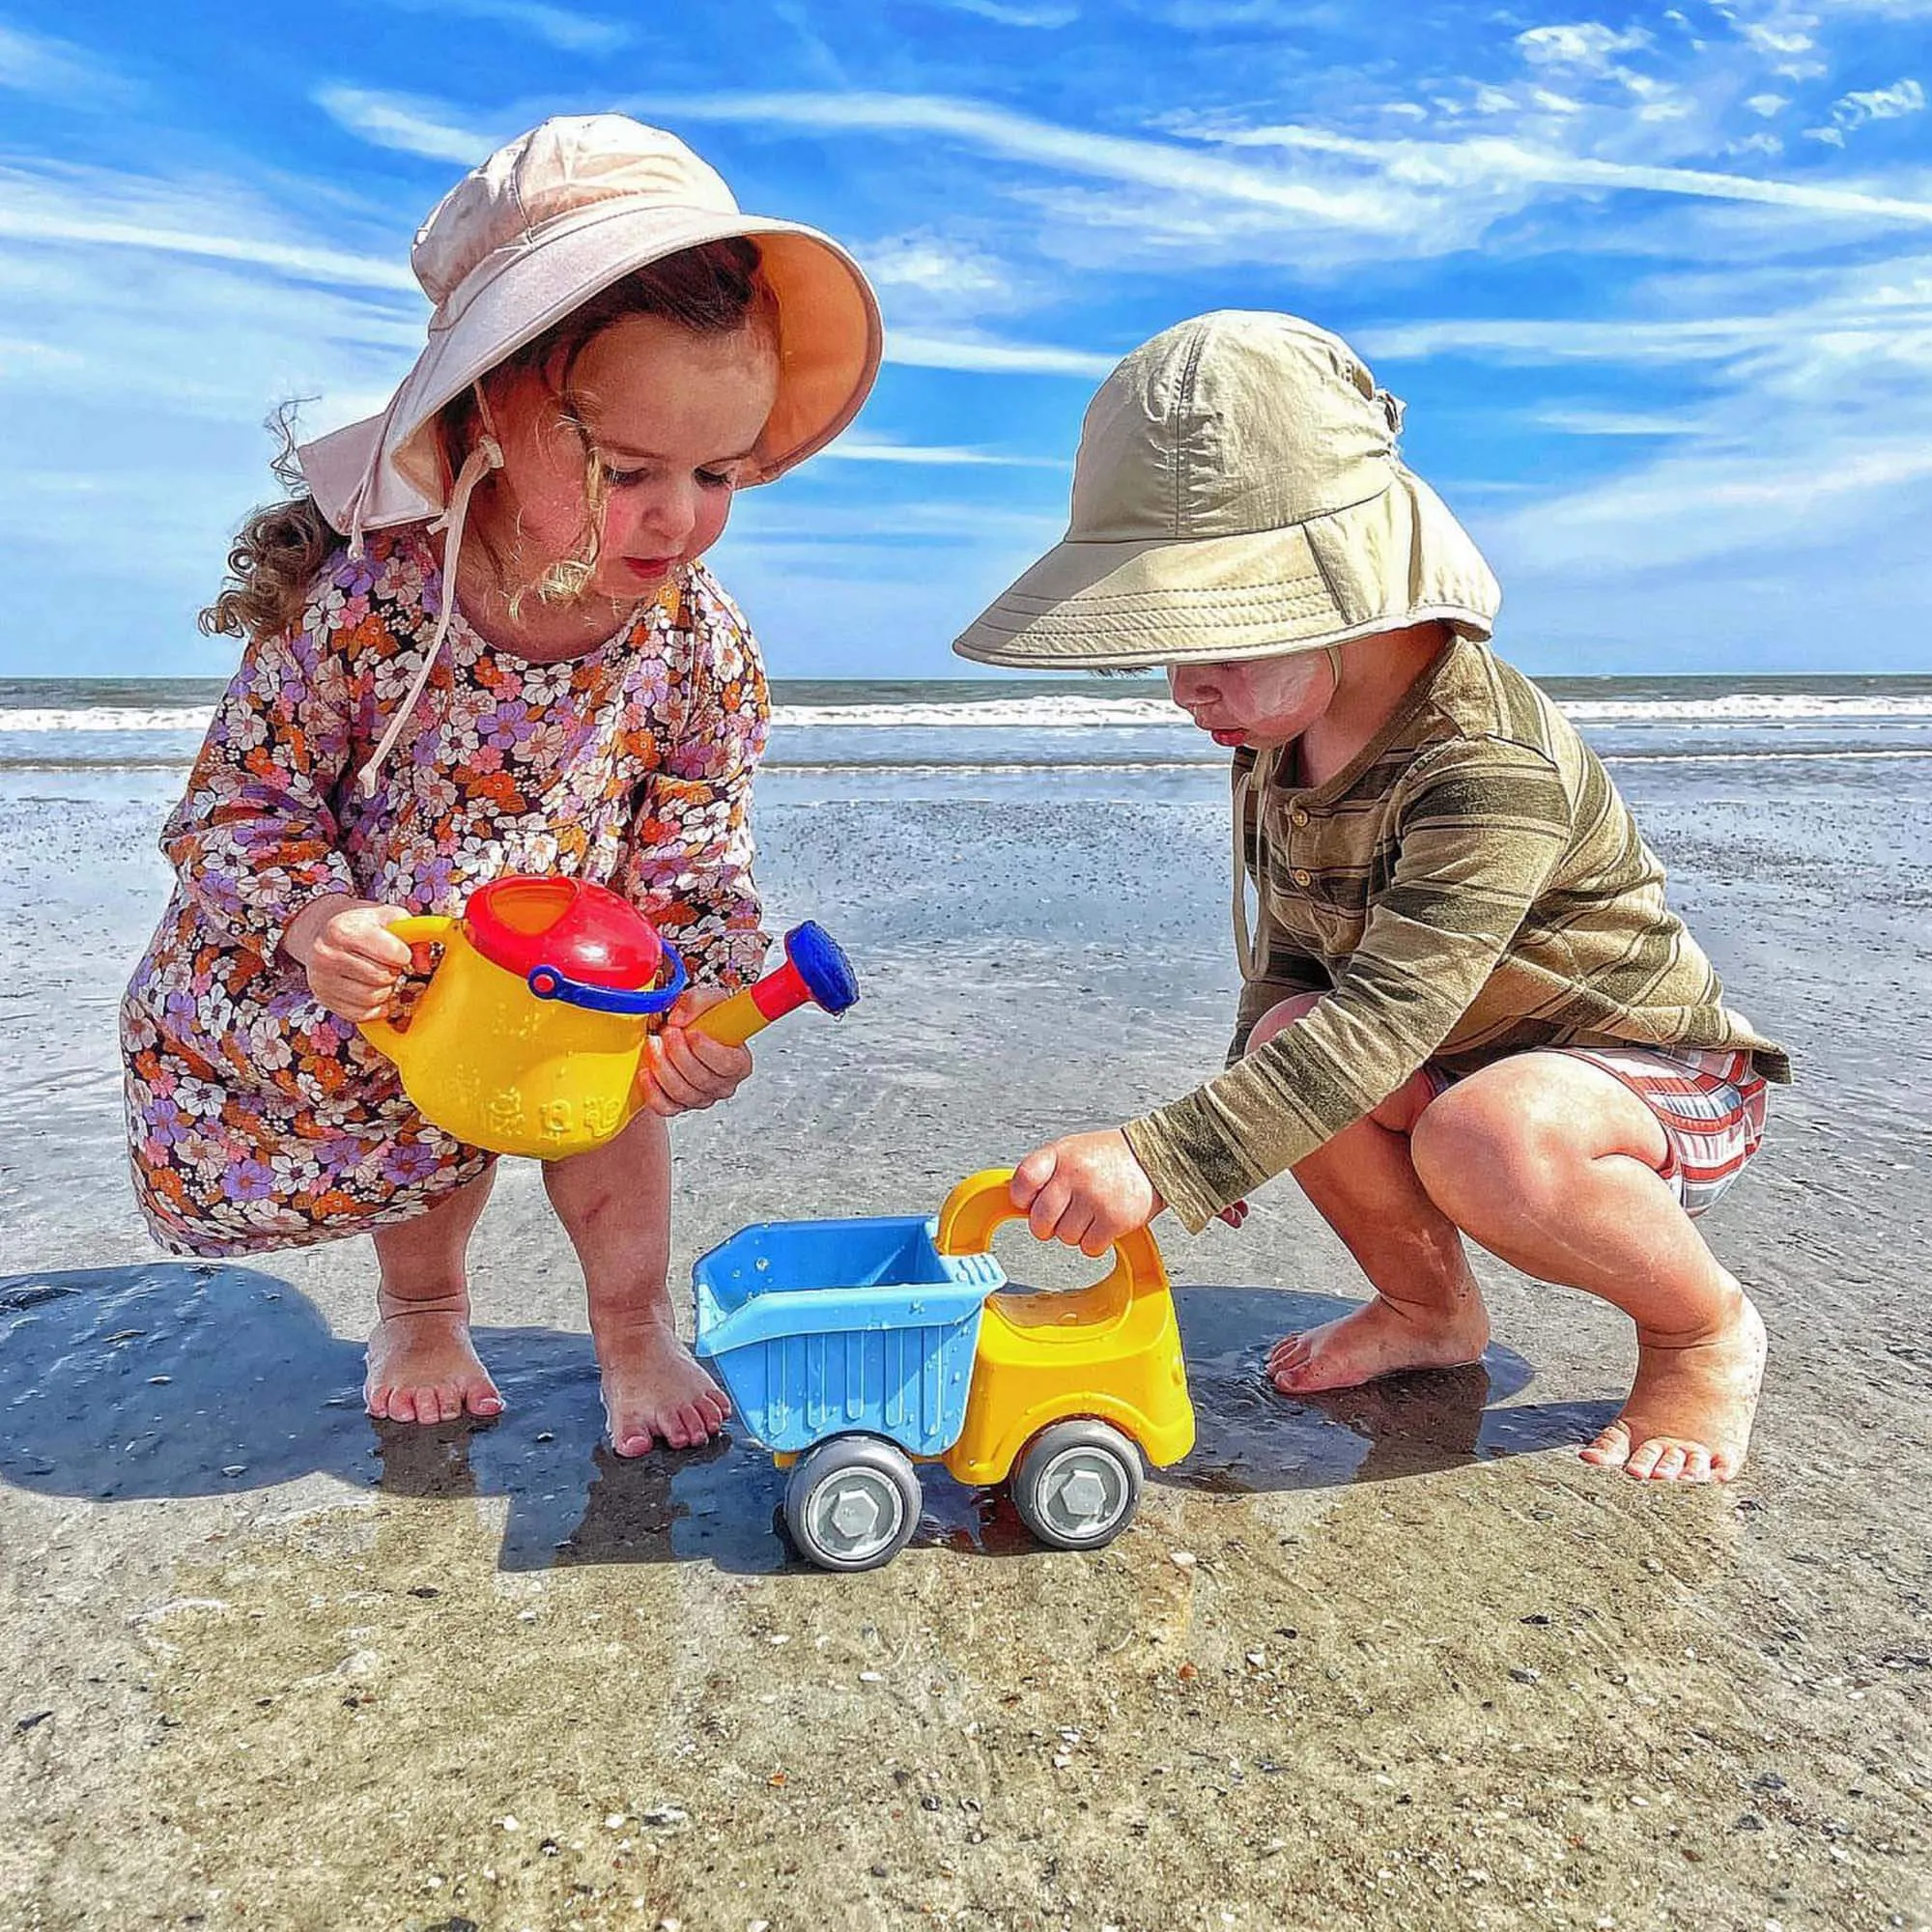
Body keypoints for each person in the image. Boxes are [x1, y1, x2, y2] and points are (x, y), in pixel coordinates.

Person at [120, 116, 881, 1455]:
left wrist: (709, 989)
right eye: (628, 470)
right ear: (488, 412)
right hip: (398, 975)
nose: (678, 518)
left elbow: (693, 856)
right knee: (426, 1117)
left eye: (720, 474)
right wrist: (315, 921)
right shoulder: (369, 604)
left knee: (618, 1108)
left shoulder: (700, 643)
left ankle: (633, 1331)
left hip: (584, 972)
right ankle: (423, 1304)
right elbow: (241, 802)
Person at [952, 311, 1787, 1485]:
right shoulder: (1275, 728)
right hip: (1447, 1056)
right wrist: (1232, 1129)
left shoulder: (1482, 759)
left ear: (1343, 591)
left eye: (1219, 635)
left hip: (1642, 1073)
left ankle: (1699, 1327)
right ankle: (1426, 1307)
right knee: (1287, 1038)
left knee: (1482, 1131)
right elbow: (1294, 956)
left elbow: (1389, 1014)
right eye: (1164, 646)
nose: (1186, 686)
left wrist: (1169, 1152)